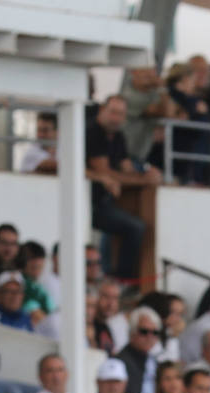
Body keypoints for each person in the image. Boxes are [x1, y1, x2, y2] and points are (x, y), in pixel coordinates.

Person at [86, 96, 158, 281]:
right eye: (113, 112)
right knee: (134, 227)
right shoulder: (93, 131)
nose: (116, 118)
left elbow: (126, 168)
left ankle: (118, 277)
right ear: (103, 110)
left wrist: (146, 175)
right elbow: (104, 171)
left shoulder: (118, 136)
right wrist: (142, 180)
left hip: (103, 202)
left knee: (133, 226)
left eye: (121, 114)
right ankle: (121, 279)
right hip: (87, 203)